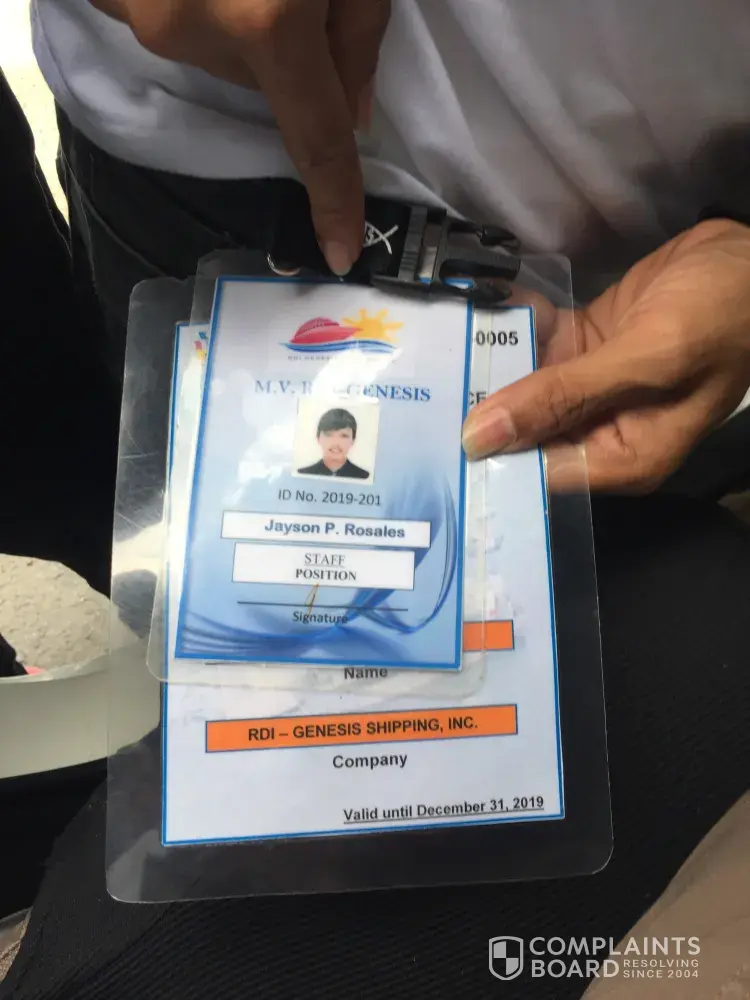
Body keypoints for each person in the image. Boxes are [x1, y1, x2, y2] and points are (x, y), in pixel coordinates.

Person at [3, 2, 748, 997]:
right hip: (219, 160)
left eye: (343, 439)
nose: (338, 444)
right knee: (201, 665)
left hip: (664, 265)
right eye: (334, 439)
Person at [297, 408, 370, 479]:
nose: (336, 442)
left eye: (344, 436)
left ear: (353, 440)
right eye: (328, 434)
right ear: (318, 438)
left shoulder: (364, 477)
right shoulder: (303, 475)